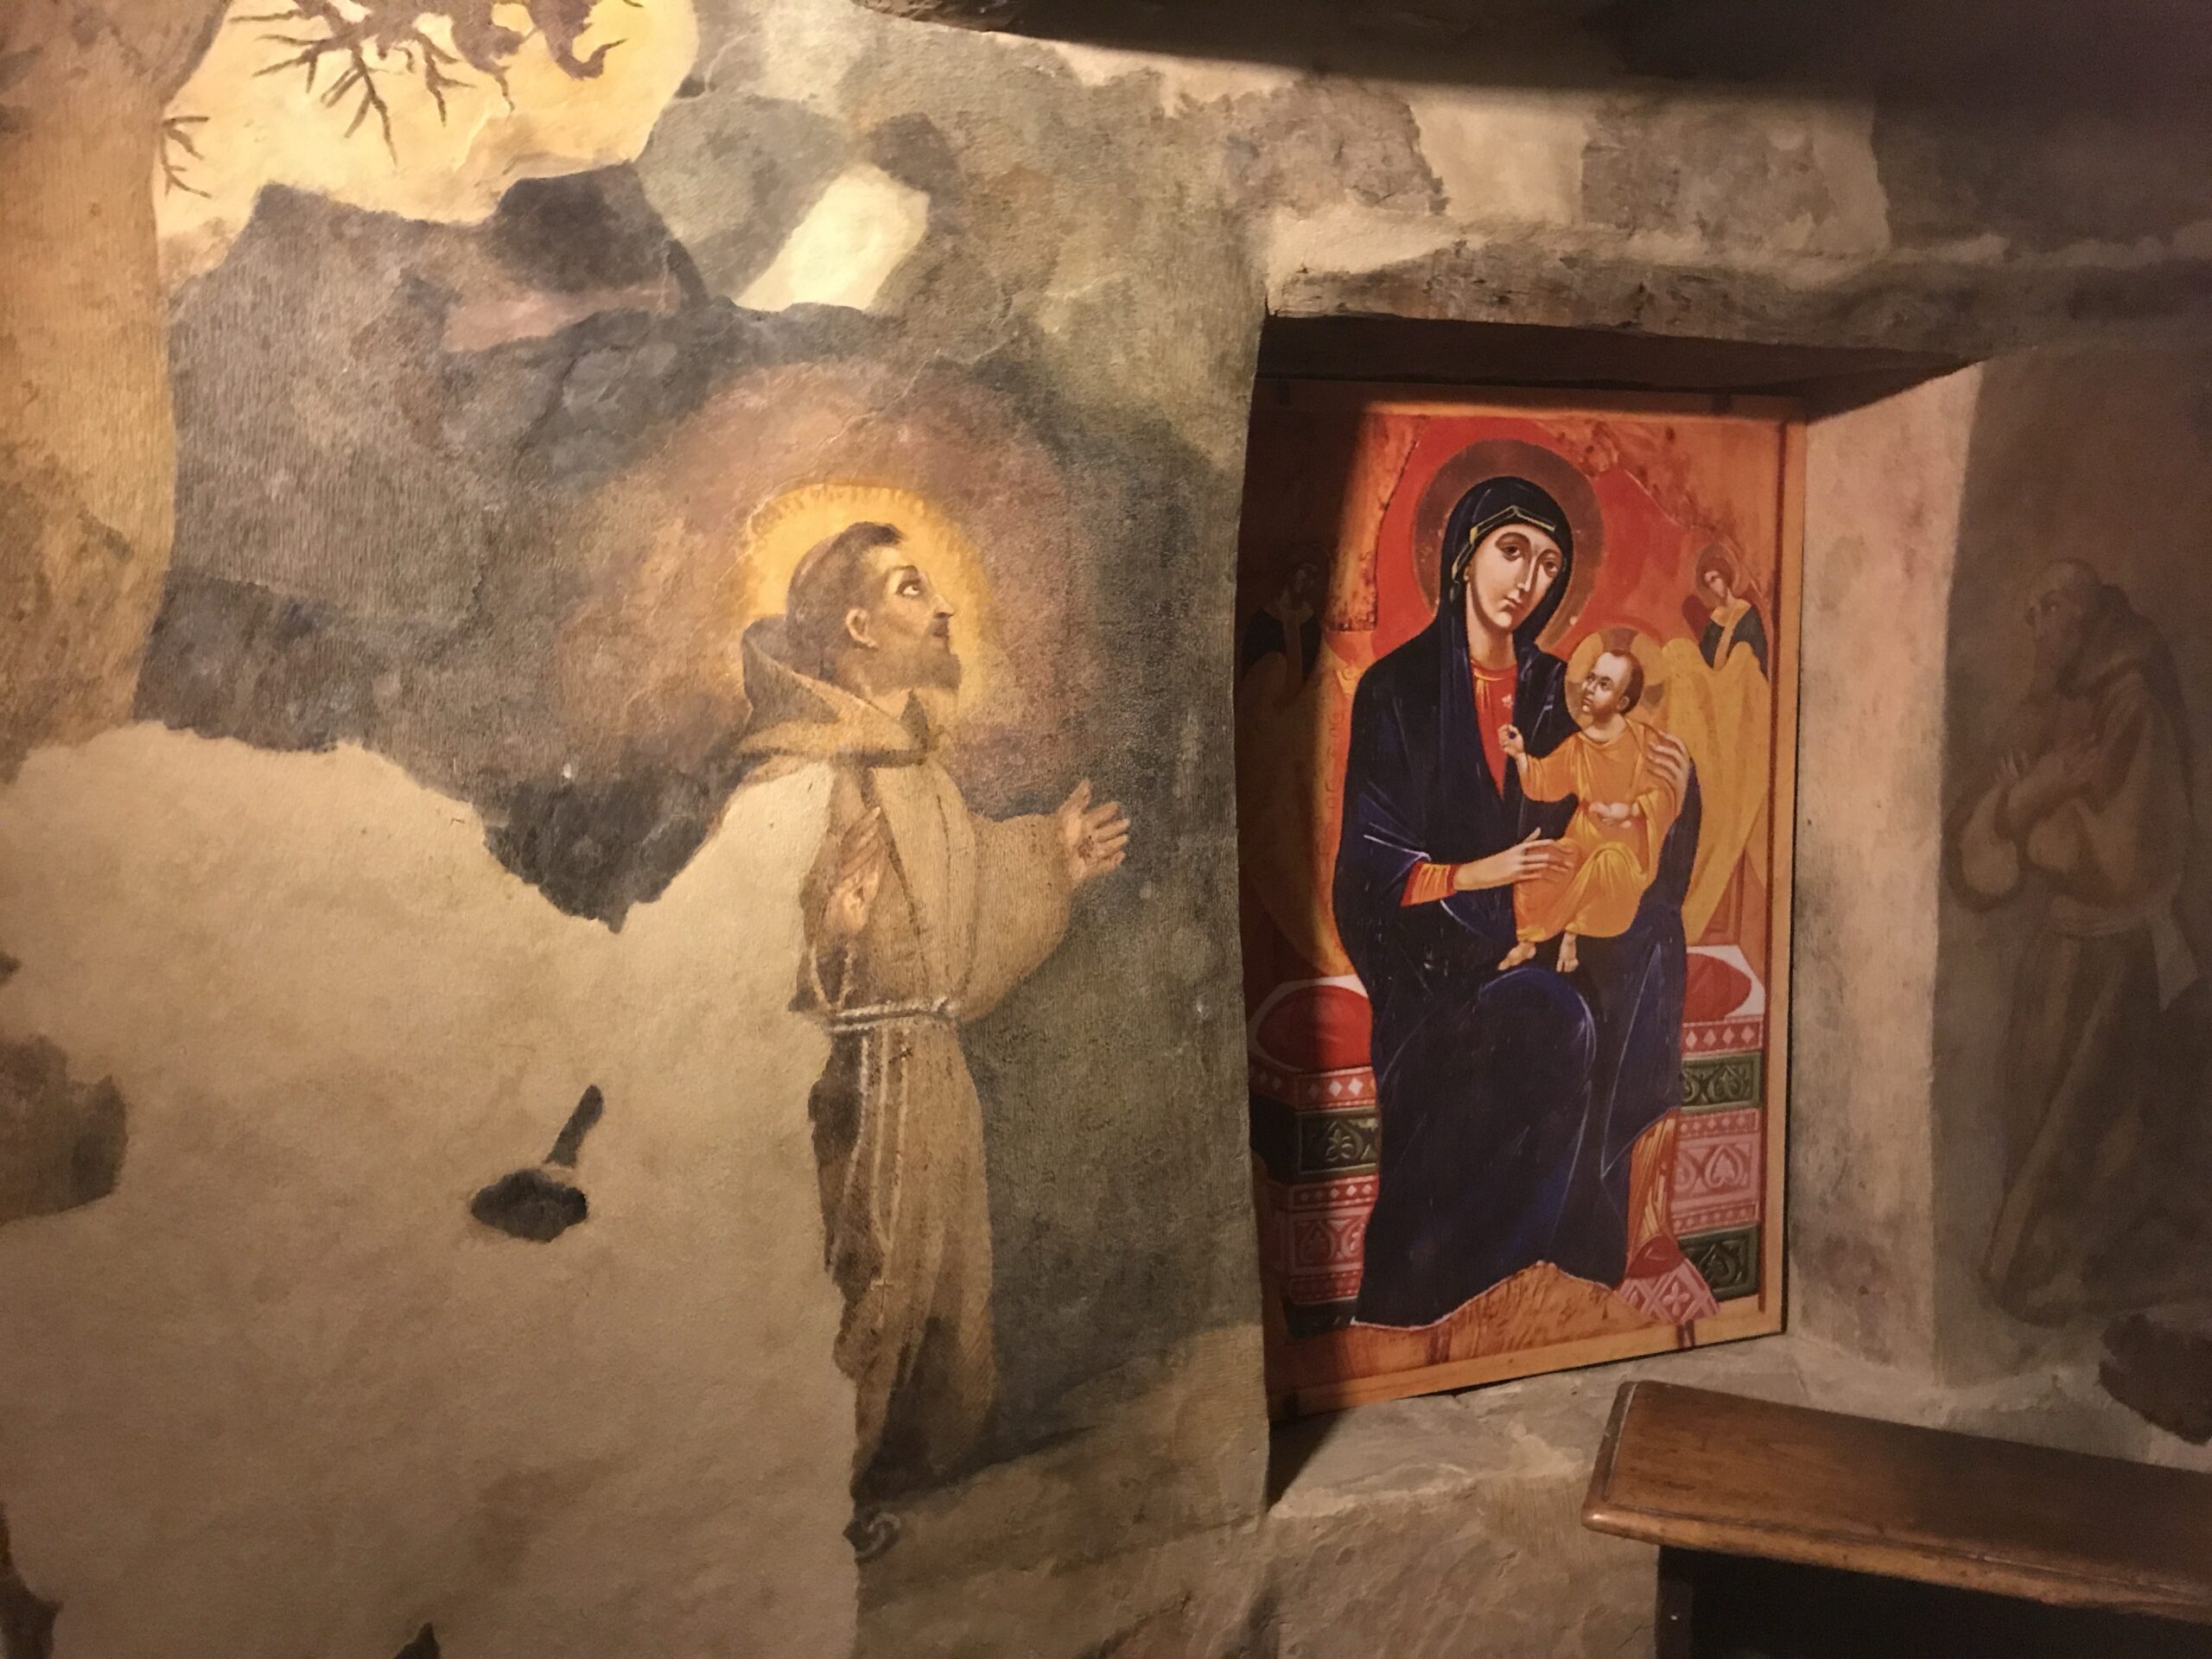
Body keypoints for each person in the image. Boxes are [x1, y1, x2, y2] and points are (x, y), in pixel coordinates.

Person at [734, 521, 1130, 1526]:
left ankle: (891, 1494)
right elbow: (737, 942)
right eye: (913, 589)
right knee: (864, 1288)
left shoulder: (919, 773)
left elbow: (965, 923)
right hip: (856, 1083)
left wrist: (1053, 860)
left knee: (942, 1296)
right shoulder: (796, 773)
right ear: (858, 627)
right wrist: (830, 925)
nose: (943, 606)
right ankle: (809, 1511)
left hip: (930, 1068)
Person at [1332, 475, 1700, 1327]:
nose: (1527, 581)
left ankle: (1595, 1247)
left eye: (1547, 565)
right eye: (1511, 552)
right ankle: (1471, 1285)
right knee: (1549, 1013)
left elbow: (1615, 798)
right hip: (1436, 978)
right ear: (1465, 554)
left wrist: (1671, 797)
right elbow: (1369, 872)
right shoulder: (1396, 691)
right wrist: (1481, 878)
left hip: (1551, 932)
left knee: (1649, 932)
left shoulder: (1562, 692)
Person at [1946, 559, 2209, 1322]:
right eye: (2031, 611)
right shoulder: (2062, 697)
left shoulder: (2133, 703)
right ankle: (2045, 1266)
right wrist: (2032, 795)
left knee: (2090, 1123)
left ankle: (2065, 1270)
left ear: (2085, 614)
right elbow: (1981, 852)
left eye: (2048, 608)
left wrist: (2034, 811)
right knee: (2038, 1108)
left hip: (2117, 960)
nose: (2035, 626)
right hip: (2067, 950)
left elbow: (2121, 853)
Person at [1498, 643, 1684, 974]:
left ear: (1622, 702)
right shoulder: (1578, 746)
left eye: (1604, 684)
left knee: (1608, 865)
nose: (1590, 688)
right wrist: (1520, 756)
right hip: (1580, 844)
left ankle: (1572, 934)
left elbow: (1664, 794)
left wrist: (1629, 811)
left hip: (1623, 855)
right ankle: (1529, 941)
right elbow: (1544, 782)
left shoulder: (1644, 742)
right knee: (1539, 866)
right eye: (1591, 678)